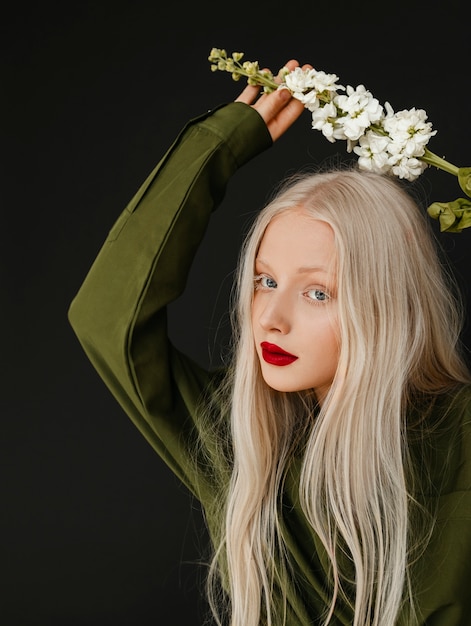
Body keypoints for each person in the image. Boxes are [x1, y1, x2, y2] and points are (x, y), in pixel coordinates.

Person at [68, 59, 471, 625]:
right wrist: (217, 148)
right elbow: (108, 318)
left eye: (317, 293)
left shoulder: (460, 434)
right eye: (265, 282)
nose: (270, 320)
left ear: (388, 302)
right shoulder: (242, 440)